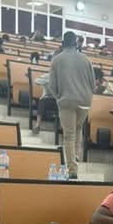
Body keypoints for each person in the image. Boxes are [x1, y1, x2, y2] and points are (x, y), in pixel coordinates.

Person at [49, 31, 96, 180]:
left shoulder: (57, 60)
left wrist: (59, 97)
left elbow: (52, 85)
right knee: (78, 130)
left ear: (63, 43)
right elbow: (93, 85)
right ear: (76, 44)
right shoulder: (86, 59)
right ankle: (75, 158)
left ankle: (72, 170)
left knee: (69, 135)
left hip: (67, 100)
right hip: (84, 101)